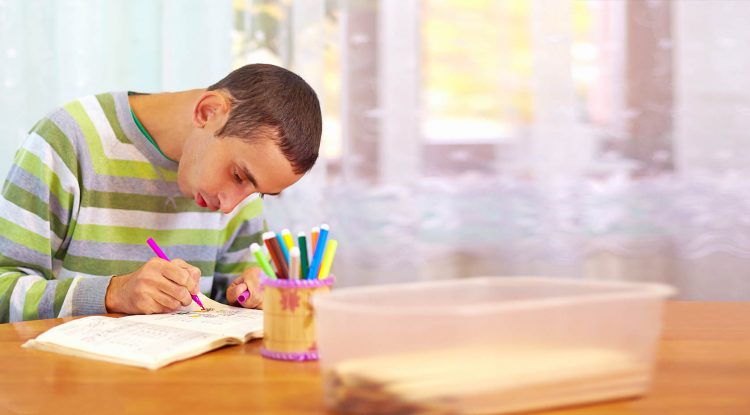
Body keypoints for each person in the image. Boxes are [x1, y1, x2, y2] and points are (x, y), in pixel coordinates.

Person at [0, 63, 322, 322]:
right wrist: (112, 293)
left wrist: (254, 290)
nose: (230, 207)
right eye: (237, 175)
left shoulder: (240, 190)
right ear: (208, 112)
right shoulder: (67, 142)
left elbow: (236, 295)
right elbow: (3, 291)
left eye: (259, 193)